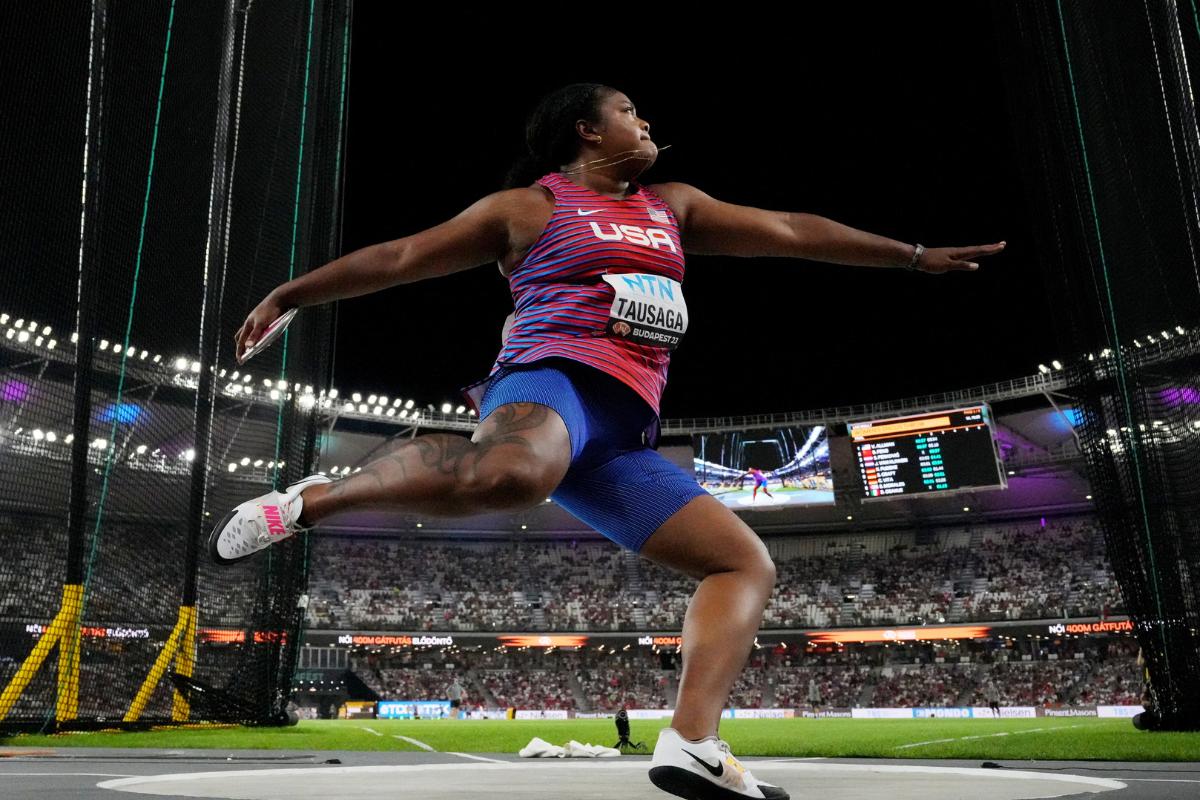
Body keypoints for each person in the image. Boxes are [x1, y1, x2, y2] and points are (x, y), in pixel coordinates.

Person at [209, 83, 1004, 800]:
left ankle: (694, 744)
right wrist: (292, 294)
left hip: (623, 426)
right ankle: (315, 498)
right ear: (586, 130)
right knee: (515, 474)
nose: (648, 120)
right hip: (548, 376)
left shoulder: (674, 207)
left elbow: (789, 230)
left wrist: (908, 257)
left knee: (743, 562)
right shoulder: (528, 209)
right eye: (630, 110)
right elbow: (404, 256)